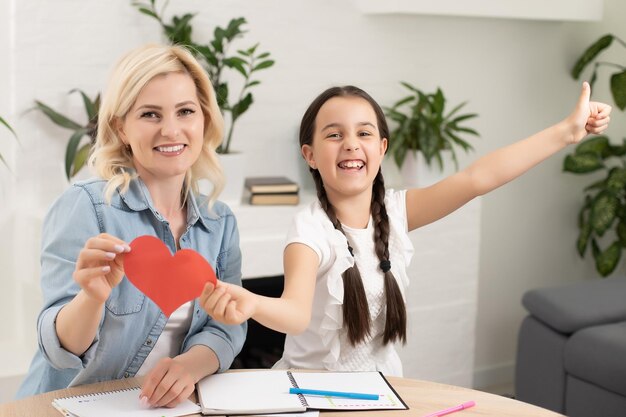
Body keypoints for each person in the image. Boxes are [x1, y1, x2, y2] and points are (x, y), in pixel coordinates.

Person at [200, 83, 611, 376]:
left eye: (364, 133)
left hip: (383, 391)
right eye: (334, 134)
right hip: (310, 394)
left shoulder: (396, 211)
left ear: (381, 148)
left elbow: (478, 177)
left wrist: (565, 133)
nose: (350, 143)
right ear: (309, 155)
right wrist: (251, 303)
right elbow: (294, 313)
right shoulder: (309, 230)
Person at [16, 44, 246, 407]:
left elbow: (228, 324)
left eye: (185, 111)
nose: (171, 130)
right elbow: (59, 350)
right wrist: (91, 297)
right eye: (150, 114)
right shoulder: (87, 206)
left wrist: (190, 365)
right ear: (121, 128)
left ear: (203, 119)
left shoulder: (219, 222)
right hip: (73, 407)